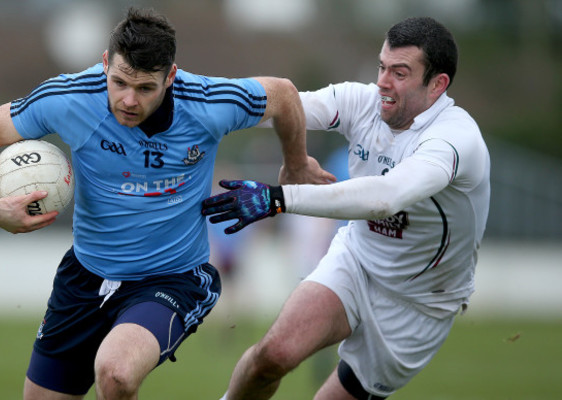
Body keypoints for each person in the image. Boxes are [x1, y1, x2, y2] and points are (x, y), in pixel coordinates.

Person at [0, 7, 335, 400]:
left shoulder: (208, 102)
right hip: (85, 277)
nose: (129, 100)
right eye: (118, 82)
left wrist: (295, 164)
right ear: (105, 64)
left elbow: (284, 94)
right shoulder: (71, 98)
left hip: (171, 279)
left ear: (170, 77)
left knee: (116, 373)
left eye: (145, 88)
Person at [203, 16, 490, 400]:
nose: (383, 83)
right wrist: (189, 99)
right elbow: (282, 105)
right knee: (272, 355)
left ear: (437, 84)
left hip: (419, 302)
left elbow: (386, 197)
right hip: (356, 262)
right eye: (382, 67)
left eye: (400, 73)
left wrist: (276, 199)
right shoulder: (362, 101)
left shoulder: (456, 138)